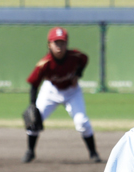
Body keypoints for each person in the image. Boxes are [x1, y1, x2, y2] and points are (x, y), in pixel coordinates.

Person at [20, 26, 100, 164]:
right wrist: (33, 105)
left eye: (62, 43)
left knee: (82, 122)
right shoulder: (44, 63)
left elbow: (84, 60)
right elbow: (34, 84)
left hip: (72, 91)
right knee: (34, 121)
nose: (59, 46)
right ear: (49, 45)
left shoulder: (75, 56)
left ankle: (93, 153)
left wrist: (78, 74)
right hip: (51, 91)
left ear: (67, 44)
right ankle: (30, 151)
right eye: (56, 42)